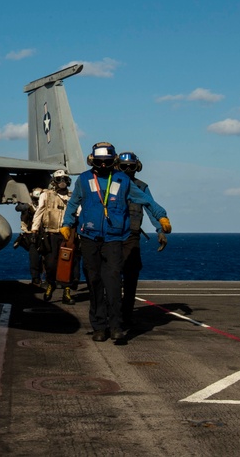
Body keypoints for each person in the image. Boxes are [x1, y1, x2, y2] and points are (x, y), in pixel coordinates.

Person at [62, 142, 171, 342]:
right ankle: (99, 327)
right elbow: (74, 202)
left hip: (114, 238)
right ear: (92, 161)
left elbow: (145, 200)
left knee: (112, 282)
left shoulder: (122, 180)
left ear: (113, 162)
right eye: (100, 162)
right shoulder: (84, 179)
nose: (103, 166)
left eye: (107, 162)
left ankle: (116, 326)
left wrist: (161, 217)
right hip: (89, 238)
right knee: (94, 283)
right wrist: (67, 223)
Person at [116, 151, 169, 327]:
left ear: (137, 167)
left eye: (131, 167)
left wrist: (160, 229)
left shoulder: (141, 187)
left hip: (132, 235)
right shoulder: (111, 184)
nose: (128, 170)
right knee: (111, 275)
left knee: (131, 275)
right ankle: (113, 311)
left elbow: (149, 206)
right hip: (112, 236)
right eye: (124, 167)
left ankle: (126, 313)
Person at [32, 169, 78, 304]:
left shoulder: (73, 196)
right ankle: (51, 284)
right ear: (54, 181)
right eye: (59, 179)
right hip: (50, 233)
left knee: (67, 264)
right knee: (50, 264)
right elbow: (39, 212)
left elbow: (79, 212)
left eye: (64, 179)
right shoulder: (46, 195)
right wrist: (34, 230)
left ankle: (66, 291)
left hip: (68, 235)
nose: (62, 182)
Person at [14, 188, 46, 287]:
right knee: (34, 258)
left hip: (44, 233)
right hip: (31, 234)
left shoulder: (45, 204)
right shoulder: (28, 205)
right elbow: (19, 208)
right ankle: (36, 278)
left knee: (46, 258)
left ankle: (44, 278)